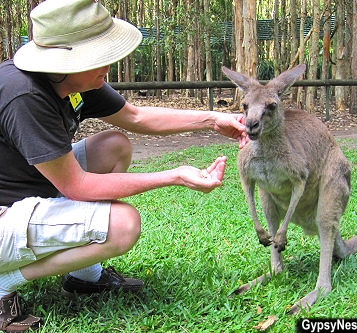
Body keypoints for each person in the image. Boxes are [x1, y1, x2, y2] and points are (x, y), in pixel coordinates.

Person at [0, 0, 247, 331]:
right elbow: (78, 186)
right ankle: (5, 282)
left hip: (27, 191)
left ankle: (84, 277)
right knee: (123, 225)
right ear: (66, 60)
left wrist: (213, 119)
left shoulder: (71, 81)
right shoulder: (25, 96)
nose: (112, 62)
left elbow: (135, 117)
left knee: (113, 146)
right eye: (100, 55)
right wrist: (174, 175)